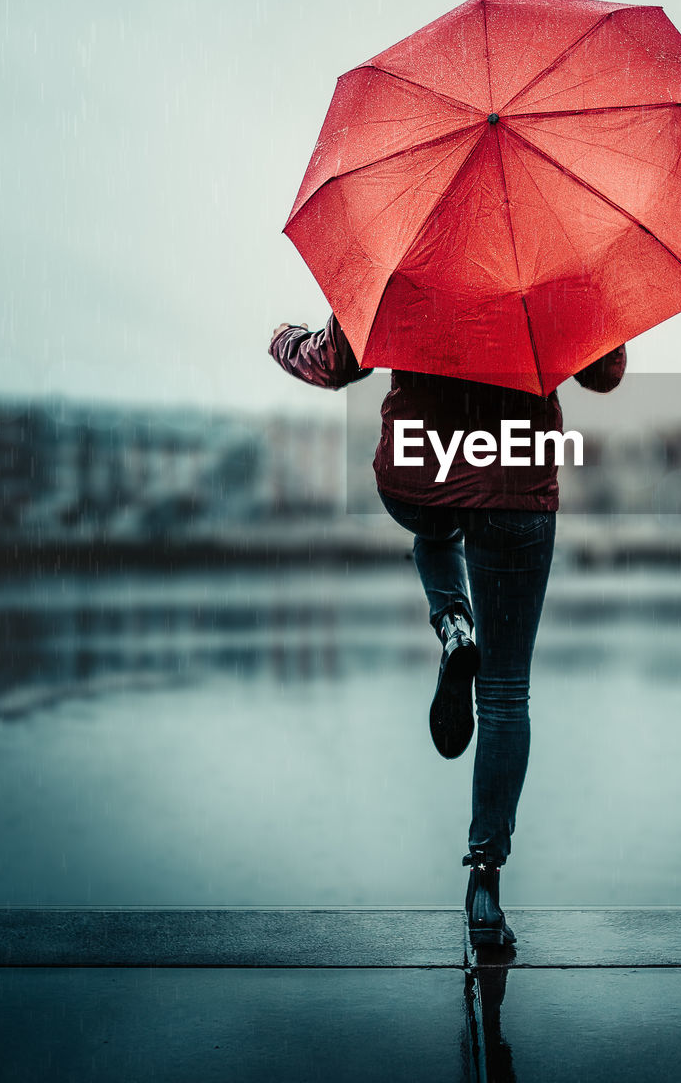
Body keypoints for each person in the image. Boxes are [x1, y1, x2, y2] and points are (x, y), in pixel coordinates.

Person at [269, 314, 625, 947]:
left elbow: (331, 365)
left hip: (419, 475)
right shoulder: (554, 255)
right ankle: (484, 883)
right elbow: (605, 374)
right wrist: (596, 311)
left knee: (434, 530)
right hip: (517, 482)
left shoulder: (406, 248)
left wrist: (284, 338)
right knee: (506, 695)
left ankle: (455, 625)